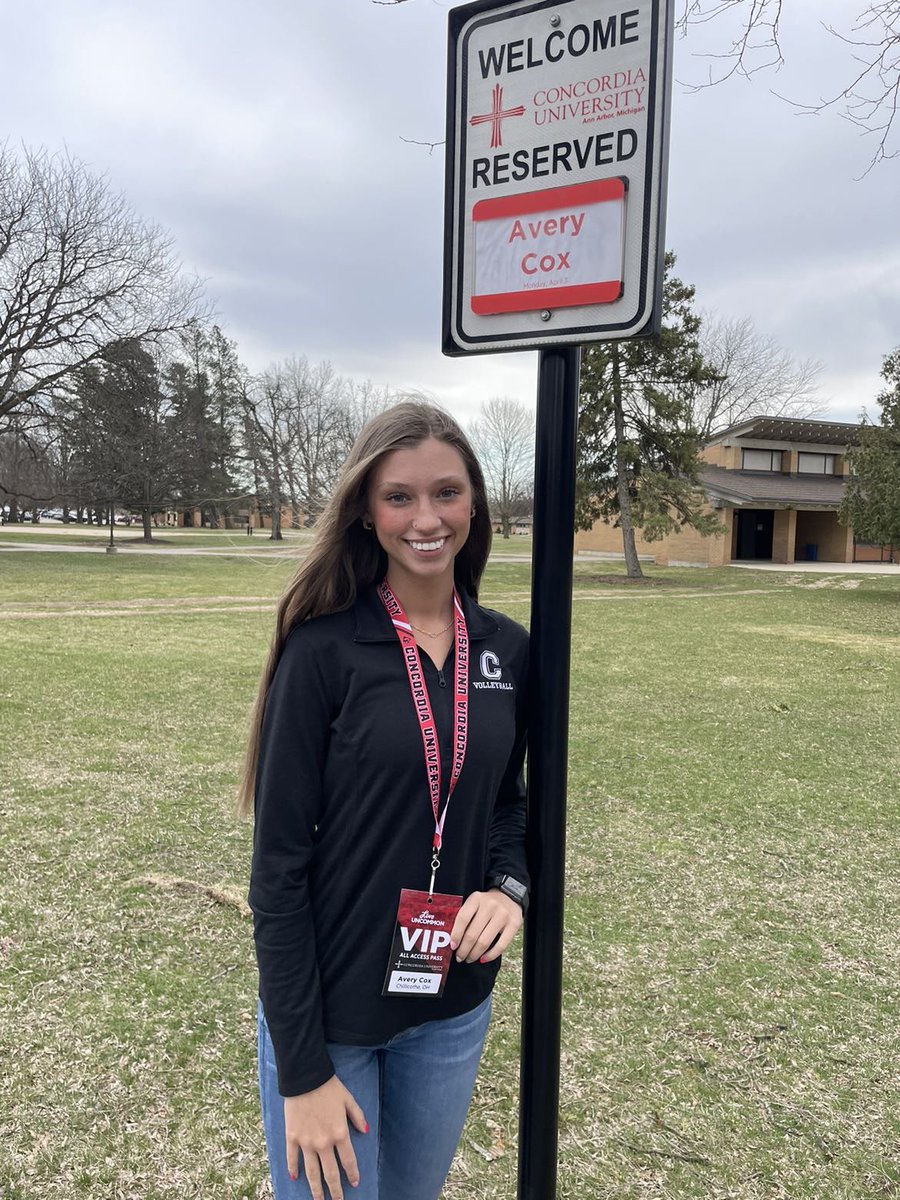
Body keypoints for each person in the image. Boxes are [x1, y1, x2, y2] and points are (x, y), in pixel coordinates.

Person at [238, 401, 530, 1200]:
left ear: (475, 503)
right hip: (331, 1017)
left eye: (447, 492)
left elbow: (508, 803)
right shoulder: (322, 650)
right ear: (367, 512)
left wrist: (509, 888)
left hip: (452, 1006)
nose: (426, 518)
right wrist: (302, 1070)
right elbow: (277, 871)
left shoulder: (507, 649)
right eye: (399, 496)